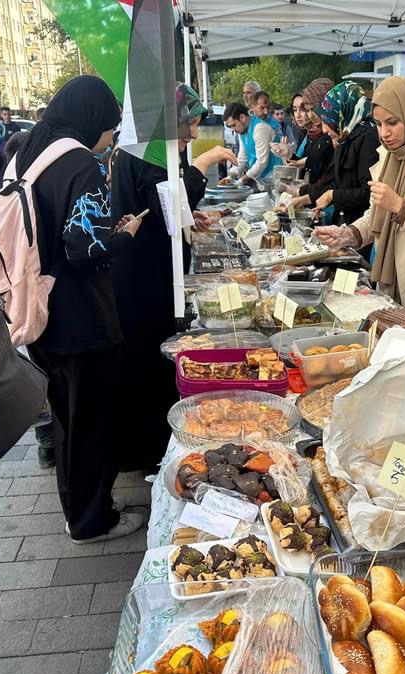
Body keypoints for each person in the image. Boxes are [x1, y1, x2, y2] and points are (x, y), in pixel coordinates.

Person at [14, 76, 145, 544]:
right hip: (83, 319)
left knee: (68, 421)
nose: (110, 140)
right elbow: (83, 249)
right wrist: (123, 235)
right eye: (110, 129)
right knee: (93, 424)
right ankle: (93, 519)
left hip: (43, 316)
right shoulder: (80, 164)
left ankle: (78, 510)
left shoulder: (31, 156)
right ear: (92, 120)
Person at [110, 84, 237, 472]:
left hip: (147, 269)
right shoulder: (149, 152)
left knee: (147, 360)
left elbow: (170, 209)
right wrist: (203, 165)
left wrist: (188, 217)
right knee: (149, 360)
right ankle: (149, 452)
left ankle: (146, 447)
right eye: (191, 124)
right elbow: (163, 207)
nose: (195, 134)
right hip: (144, 276)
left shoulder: (149, 147)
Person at [315, 77, 405, 312]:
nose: (384, 133)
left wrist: (401, 206)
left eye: (392, 123)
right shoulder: (389, 152)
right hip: (390, 273)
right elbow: (376, 211)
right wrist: (349, 234)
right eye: (378, 124)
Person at [306, 80, 381, 228]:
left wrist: (333, 195)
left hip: (361, 228)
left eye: (328, 122)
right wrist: (323, 196)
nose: (326, 130)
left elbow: (368, 192)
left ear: (343, 113)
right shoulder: (345, 137)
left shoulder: (368, 137)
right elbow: (340, 181)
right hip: (343, 222)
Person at [224, 101, 281, 184]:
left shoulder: (260, 128)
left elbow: (262, 162)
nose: (233, 130)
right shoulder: (242, 131)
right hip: (261, 179)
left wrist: (241, 180)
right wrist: (230, 177)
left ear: (242, 117)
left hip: (274, 178)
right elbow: (242, 159)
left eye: (234, 125)